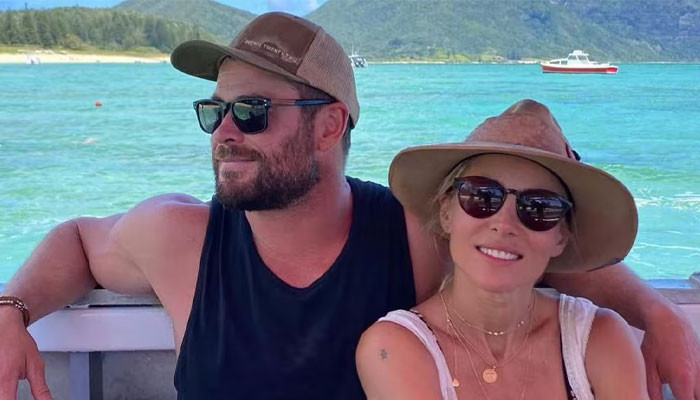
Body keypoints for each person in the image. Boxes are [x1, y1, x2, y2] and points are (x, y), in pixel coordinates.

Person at [0, 11, 697, 400]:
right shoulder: (179, 237)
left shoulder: (407, 233)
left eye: (252, 110)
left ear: (330, 127)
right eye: (215, 111)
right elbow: (79, 241)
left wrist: (656, 314)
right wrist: (11, 310)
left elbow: (523, 238)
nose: (226, 133)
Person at [356, 99, 648, 399]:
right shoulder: (394, 346)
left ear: (561, 235)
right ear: (447, 212)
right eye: (482, 196)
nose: (504, 224)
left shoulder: (600, 338)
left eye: (538, 208)